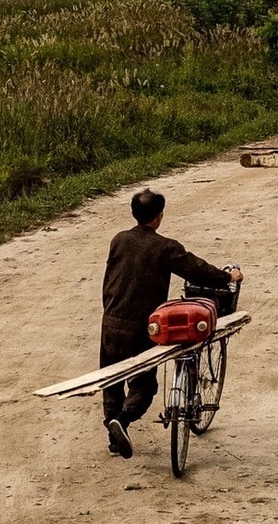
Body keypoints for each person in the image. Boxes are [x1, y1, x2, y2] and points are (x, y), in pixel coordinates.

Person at [101, 188, 242, 459]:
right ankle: (124, 419)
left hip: (110, 321)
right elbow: (196, 269)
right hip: (144, 326)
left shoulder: (118, 240)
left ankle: (114, 437)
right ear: (159, 217)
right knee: (144, 384)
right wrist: (228, 277)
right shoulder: (165, 247)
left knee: (111, 379)